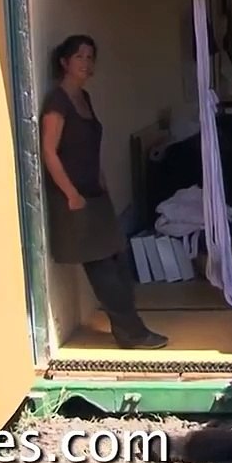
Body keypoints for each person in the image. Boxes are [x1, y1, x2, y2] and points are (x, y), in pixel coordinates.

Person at [40, 34, 168, 350]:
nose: (86, 63)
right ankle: (131, 332)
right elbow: (49, 151)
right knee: (101, 268)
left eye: (90, 57)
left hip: (95, 193)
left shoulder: (84, 98)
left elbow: (90, 145)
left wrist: (101, 179)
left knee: (118, 258)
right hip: (74, 200)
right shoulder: (57, 102)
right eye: (79, 57)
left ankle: (128, 327)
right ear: (64, 62)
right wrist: (71, 194)